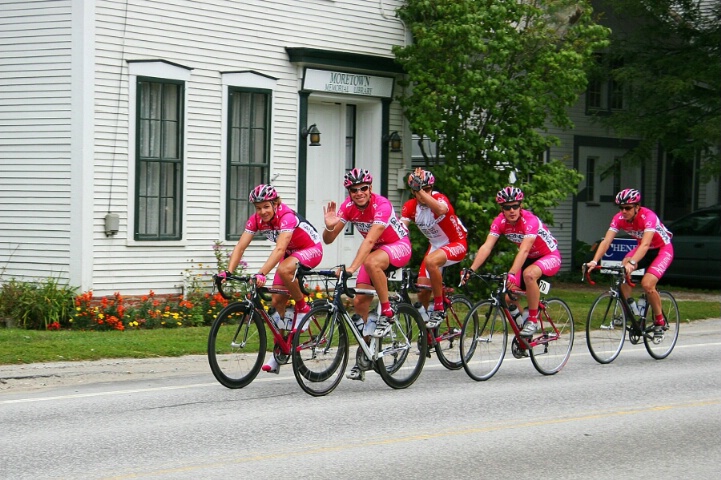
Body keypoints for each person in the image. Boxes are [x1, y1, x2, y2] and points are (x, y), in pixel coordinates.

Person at [322, 167, 412, 381]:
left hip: (398, 246)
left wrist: (351, 269)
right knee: (360, 302)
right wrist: (328, 226)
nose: (359, 192)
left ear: (370, 188)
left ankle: (388, 312)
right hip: (376, 253)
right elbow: (328, 239)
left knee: (371, 261)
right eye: (354, 190)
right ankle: (366, 352)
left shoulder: (381, 205)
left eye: (363, 188)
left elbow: (370, 240)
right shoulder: (349, 207)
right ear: (349, 192)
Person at [224, 184, 323, 374]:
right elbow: (240, 246)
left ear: (276, 204)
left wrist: (262, 273)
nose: (262, 212)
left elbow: (279, 249)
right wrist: (228, 272)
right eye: (258, 208)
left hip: (310, 250)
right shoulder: (256, 220)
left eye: (266, 207)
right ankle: (281, 349)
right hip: (290, 254)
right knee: (277, 300)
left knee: (285, 269)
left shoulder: (287, 217)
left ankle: (303, 307)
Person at [461, 186, 562, 337]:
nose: (512, 211)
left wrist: (512, 273)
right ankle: (525, 329)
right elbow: (487, 246)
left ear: (521, 206)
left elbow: (524, 250)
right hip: (528, 258)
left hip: (549, 256)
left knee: (529, 274)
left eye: (515, 206)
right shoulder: (499, 222)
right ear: (502, 209)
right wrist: (471, 269)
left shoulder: (530, 221)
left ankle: (532, 320)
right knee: (508, 298)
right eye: (507, 208)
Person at [586, 188, 674, 337]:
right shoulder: (618, 218)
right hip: (642, 249)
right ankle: (630, 310)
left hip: (661, 250)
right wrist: (594, 261)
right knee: (622, 270)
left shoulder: (648, 217)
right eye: (621, 208)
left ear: (637, 207)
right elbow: (607, 240)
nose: (623, 211)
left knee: (647, 284)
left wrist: (632, 263)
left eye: (627, 208)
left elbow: (646, 244)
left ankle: (660, 321)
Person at [400, 168, 468, 328]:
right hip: (435, 246)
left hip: (456, 243)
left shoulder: (439, 199)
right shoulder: (410, 206)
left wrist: (420, 190)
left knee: (431, 262)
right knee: (422, 291)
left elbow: (441, 209)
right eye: (419, 190)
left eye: (427, 189)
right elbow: (400, 231)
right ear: (412, 191)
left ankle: (438, 308)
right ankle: (427, 332)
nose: (425, 193)